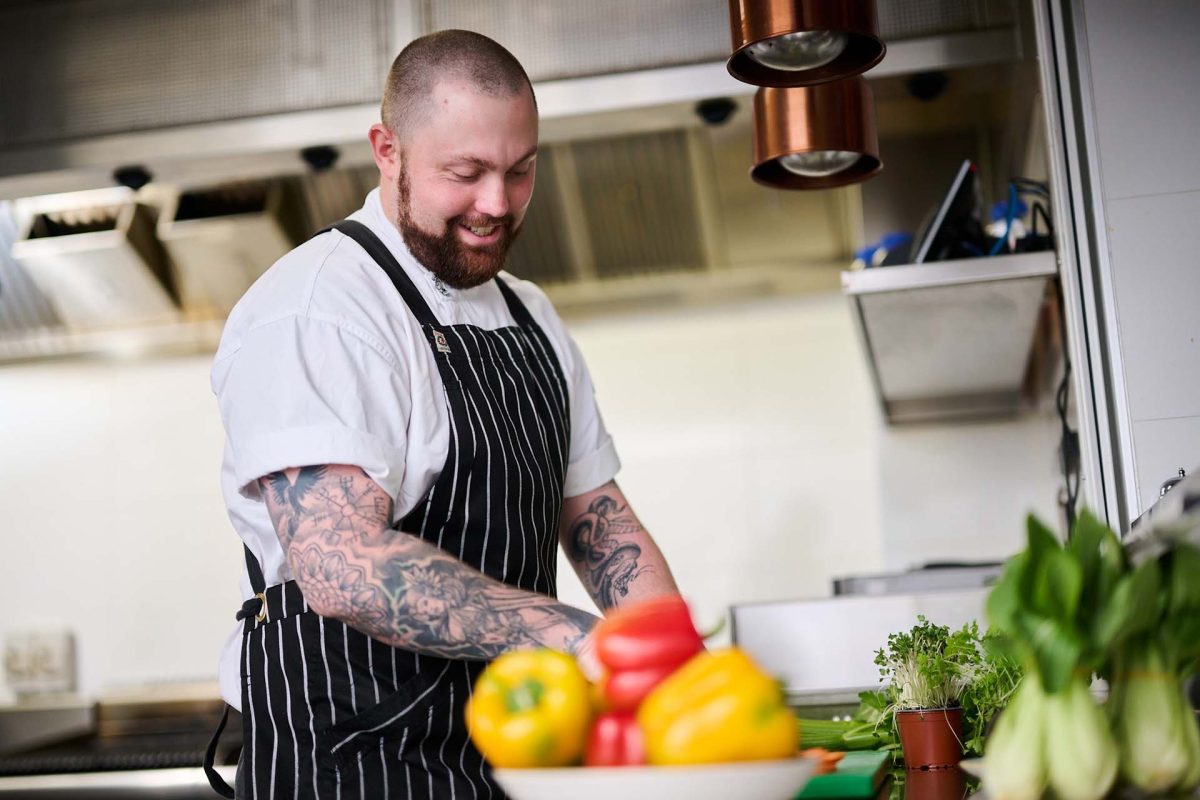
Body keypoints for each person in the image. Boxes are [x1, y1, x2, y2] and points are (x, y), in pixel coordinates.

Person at [205, 29, 682, 800]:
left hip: (511, 762)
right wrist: (572, 637)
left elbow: (601, 522)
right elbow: (339, 566)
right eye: (466, 173)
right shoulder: (317, 310)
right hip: (351, 768)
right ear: (386, 150)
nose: (497, 204)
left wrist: (674, 661)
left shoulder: (530, 315)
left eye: (521, 171)